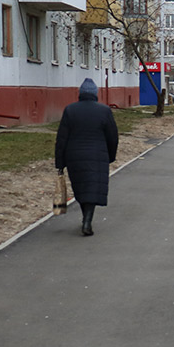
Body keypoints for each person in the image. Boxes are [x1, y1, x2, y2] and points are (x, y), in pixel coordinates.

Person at [55, 78, 119, 237]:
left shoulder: (70, 110)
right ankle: (87, 220)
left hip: (74, 155)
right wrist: (111, 156)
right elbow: (113, 136)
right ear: (95, 94)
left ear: (81, 94)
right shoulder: (104, 111)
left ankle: (86, 219)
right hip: (97, 154)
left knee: (81, 187)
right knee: (92, 187)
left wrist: (60, 162)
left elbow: (62, 138)